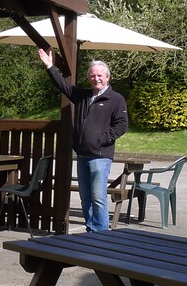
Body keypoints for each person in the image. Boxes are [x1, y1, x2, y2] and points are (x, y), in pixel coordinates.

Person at [38, 48, 128, 232]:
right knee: (85, 197)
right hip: (82, 155)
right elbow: (63, 85)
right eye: (93, 75)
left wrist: (100, 139)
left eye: (100, 75)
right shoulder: (83, 96)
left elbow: (121, 126)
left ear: (108, 77)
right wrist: (50, 66)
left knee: (98, 197)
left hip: (100, 157)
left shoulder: (116, 99)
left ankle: (101, 234)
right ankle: (90, 230)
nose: (96, 78)